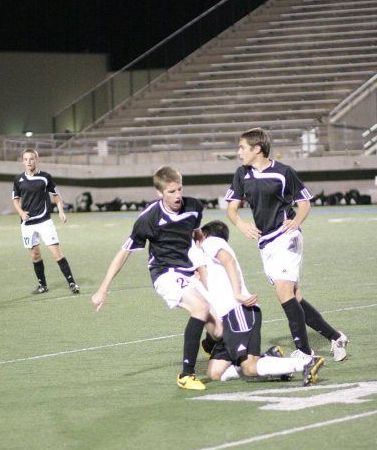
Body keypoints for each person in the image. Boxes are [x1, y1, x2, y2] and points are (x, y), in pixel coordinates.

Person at [91, 165, 222, 391]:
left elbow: (194, 230)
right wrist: (103, 289)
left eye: (179, 189)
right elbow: (124, 252)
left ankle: (210, 345)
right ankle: (186, 375)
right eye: (171, 192)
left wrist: (201, 244)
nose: (178, 195)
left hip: (188, 272)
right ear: (159, 193)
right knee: (200, 308)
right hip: (165, 273)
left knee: (220, 331)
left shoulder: (194, 207)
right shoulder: (149, 218)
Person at [225, 127, 348, 362]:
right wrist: (241, 224)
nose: (238, 152)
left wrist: (296, 222)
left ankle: (303, 352)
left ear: (257, 149)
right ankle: (335, 337)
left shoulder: (284, 172)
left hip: (286, 237)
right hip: (266, 242)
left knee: (283, 293)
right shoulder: (242, 174)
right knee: (295, 299)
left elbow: (304, 202)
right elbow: (232, 208)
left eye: (242, 147)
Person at [191, 221, 324, 386]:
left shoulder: (210, 242)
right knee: (214, 372)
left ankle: (306, 364)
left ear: (204, 235)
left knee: (249, 368)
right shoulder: (204, 261)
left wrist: (237, 293)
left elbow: (229, 261)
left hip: (238, 311)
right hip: (229, 319)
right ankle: (272, 362)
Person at [12, 148, 80, 295]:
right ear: (22, 161)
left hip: (44, 221)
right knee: (35, 255)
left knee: (56, 253)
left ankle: (72, 283)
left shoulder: (45, 177)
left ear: (37, 160)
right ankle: (42, 285)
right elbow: (15, 200)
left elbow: (56, 195)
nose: (29, 162)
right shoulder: (19, 180)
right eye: (26, 159)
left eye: (32, 159)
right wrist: (21, 213)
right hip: (27, 223)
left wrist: (61, 211)